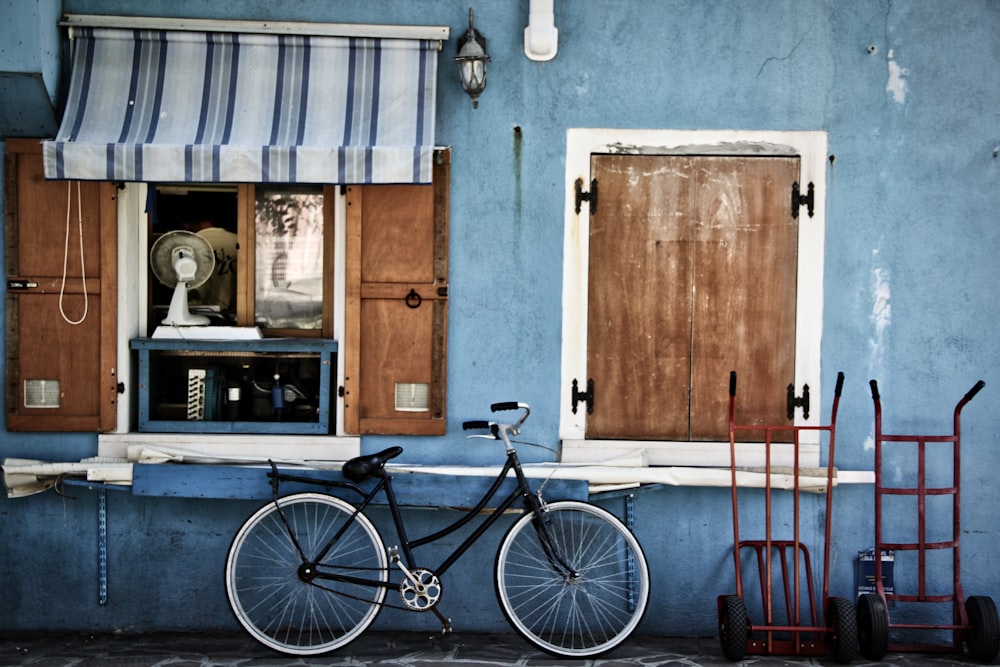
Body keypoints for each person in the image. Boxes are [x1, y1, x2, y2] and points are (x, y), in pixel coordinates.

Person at [181, 217, 238, 318]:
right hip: (238, 316)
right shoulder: (239, 241)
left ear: (186, 224)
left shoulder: (185, 246)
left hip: (197, 317)